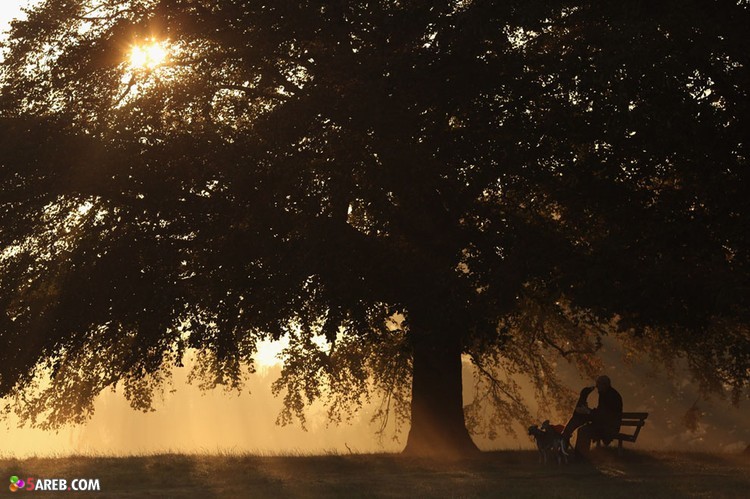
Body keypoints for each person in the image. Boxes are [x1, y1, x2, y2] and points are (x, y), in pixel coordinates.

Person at [562, 375, 623, 458]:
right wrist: (586, 411)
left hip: (608, 427)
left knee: (584, 430)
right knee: (579, 419)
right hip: (603, 424)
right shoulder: (605, 394)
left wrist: (588, 411)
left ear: (605, 385)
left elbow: (604, 415)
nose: (596, 386)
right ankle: (566, 440)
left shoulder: (612, 396)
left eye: (598, 384)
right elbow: (601, 413)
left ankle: (580, 457)